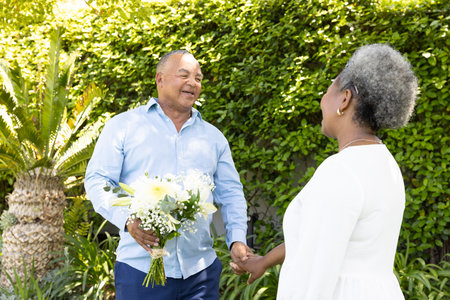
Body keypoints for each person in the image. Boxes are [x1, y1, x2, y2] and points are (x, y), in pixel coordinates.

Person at [232, 44, 418, 299]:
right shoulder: (385, 163)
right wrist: (264, 261)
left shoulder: (341, 171)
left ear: (344, 99)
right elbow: (322, 237)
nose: (323, 98)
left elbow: (312, 274)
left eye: (330, 87)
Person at [85, 50, 251, 300]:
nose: (193, 83)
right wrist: (128, 219)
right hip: (139, 271)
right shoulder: (124, 126)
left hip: (201, 274)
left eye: (198, 78)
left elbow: (231, 193)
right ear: (159, 79)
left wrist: (236, 240)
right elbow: (98, 180)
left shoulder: (214, 137)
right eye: (184, 75)